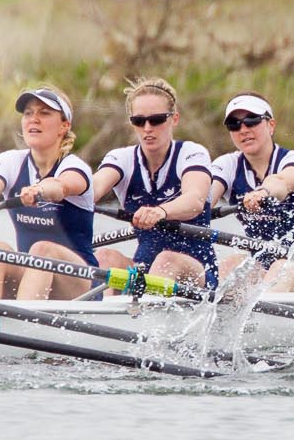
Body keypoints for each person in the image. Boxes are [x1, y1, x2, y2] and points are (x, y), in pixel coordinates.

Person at [92, 78, 217, 289]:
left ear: (174, 119)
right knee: (104, 257)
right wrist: (59, 190)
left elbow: (194, 200)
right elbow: (92, 189)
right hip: (144, 267)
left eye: (156, 120)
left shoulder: (192, 153)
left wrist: (161, 211)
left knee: (166, 260)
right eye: (139, 121)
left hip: (197, 272)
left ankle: (140, 317)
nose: (147, 128)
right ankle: (105, 313)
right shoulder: (121, 158)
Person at [0, 85, 96, 300]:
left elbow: (61, 186)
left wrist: (40, 190)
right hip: (32, 275)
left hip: (81, 281)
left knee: (43, 250)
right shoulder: (9, 162)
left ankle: (20, 326)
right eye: (28, 113)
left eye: (44, 113)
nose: (34, 119)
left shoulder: (75, 166)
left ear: (64, 126)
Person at [208, 92, 294, 293]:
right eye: (234, 125)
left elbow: (282, 182)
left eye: (252, 121)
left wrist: (263, 192)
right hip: (261, 262)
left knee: (281, 269)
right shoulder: (226, 165)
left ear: (271, 125)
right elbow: (202, 200)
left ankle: (265, 319)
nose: (243, 129)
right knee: (227, 268)